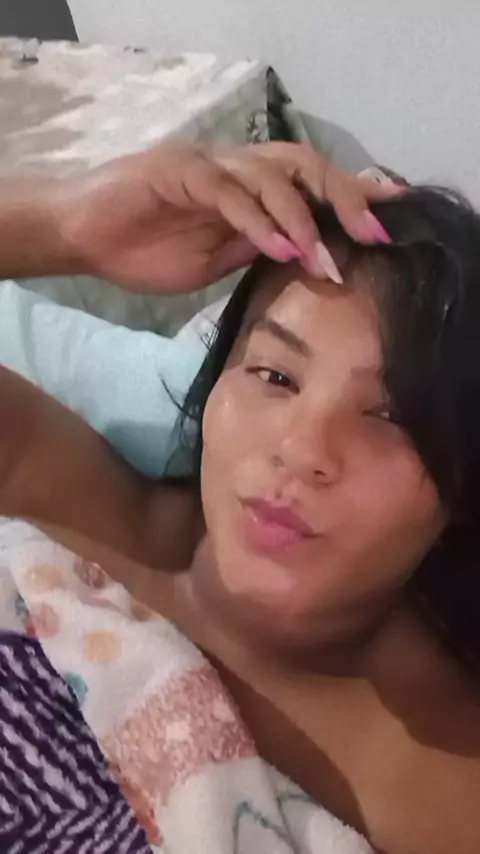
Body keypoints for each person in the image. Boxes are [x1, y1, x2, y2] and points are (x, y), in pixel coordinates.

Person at [0, 140, 478, 854]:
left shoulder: (447, 790)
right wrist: (62, 224)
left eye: (391, 416)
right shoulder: (45, 481)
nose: (304, 450)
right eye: (275, 377)